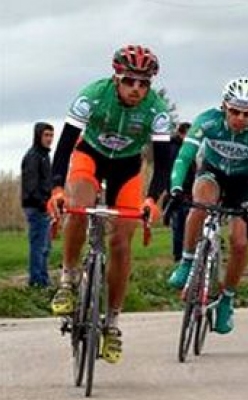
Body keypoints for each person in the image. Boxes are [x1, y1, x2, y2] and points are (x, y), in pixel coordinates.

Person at [47, 44, 171, 364]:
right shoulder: (93, 95)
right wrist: (57, 189)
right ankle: (68, 277)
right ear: (116, 78)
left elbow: (164, 164)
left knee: (121, 240)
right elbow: (62, 149)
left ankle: (113, 322)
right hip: (90, 157)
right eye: (130, 81)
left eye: (144, 84)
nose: (136, 90)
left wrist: (151, 200)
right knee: (78, 205)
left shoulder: (156, 111)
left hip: (127, 169)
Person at [166, 78, 248, 334]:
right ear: (224, 105)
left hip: (243, 183)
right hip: (213, 173)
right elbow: (184, 157)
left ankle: (227, 298)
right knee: (200, 205)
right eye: (234, 111)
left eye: (247, 114)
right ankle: (187, 262)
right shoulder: (208, 120)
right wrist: (176, 188)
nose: (239, 118)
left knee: (239, 242)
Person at [21, 122, 54, 287]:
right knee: (39, 246)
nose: (49, 139)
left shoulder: (44, 156)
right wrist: (42, 203)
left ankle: (44, 280)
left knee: (46, 247)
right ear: (38, 136)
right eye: (46, 135)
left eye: (51, 135)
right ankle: (37, 282)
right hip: (36, 207)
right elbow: (31, 185)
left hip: (45, 207)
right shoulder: (34, 156)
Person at [162, 122, 193, 262]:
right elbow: (173, 172)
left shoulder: (178, 148)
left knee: (182, 224)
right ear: (182, 133)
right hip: (179, 193)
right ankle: (179, 255)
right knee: (181, 225)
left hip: (182, 192)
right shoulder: (175, 149)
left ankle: (181, 253)